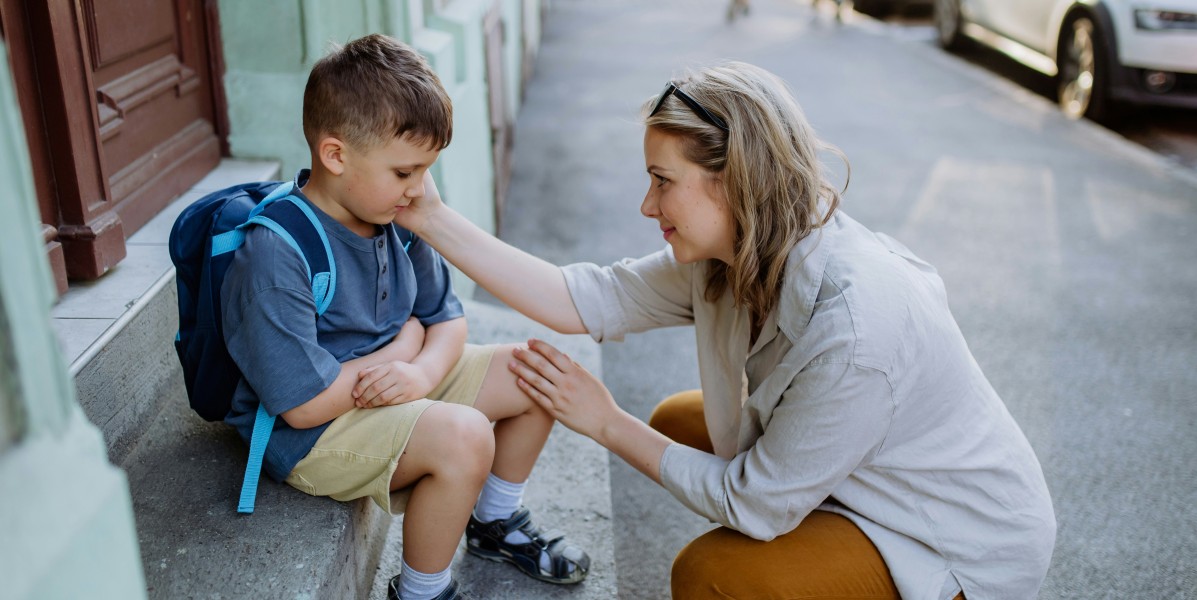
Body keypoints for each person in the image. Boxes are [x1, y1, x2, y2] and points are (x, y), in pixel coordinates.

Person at [396, 61, 1057, 599]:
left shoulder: (857, 328)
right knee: (686, 424)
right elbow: (584, 298)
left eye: (663, 182)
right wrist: (427, 214)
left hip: (954, 540)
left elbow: (758, 506)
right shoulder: (730, 251)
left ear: (734, 182)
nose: (647, 205)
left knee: (715, 576)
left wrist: (605, 422)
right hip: (868, 480)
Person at [220, 34, 589, 600]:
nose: (420, 189)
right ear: (336, 154)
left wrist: (419, 371)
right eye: (405, 171)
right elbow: (301, 405)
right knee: (464, 437)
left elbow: (445, 320)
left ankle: (493, 522)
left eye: (427, 169)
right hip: (317, 432)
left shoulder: (396, 213)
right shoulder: (276, 254)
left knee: (539, 374)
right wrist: (401, 352)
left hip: (392, 383)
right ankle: (422, 591)